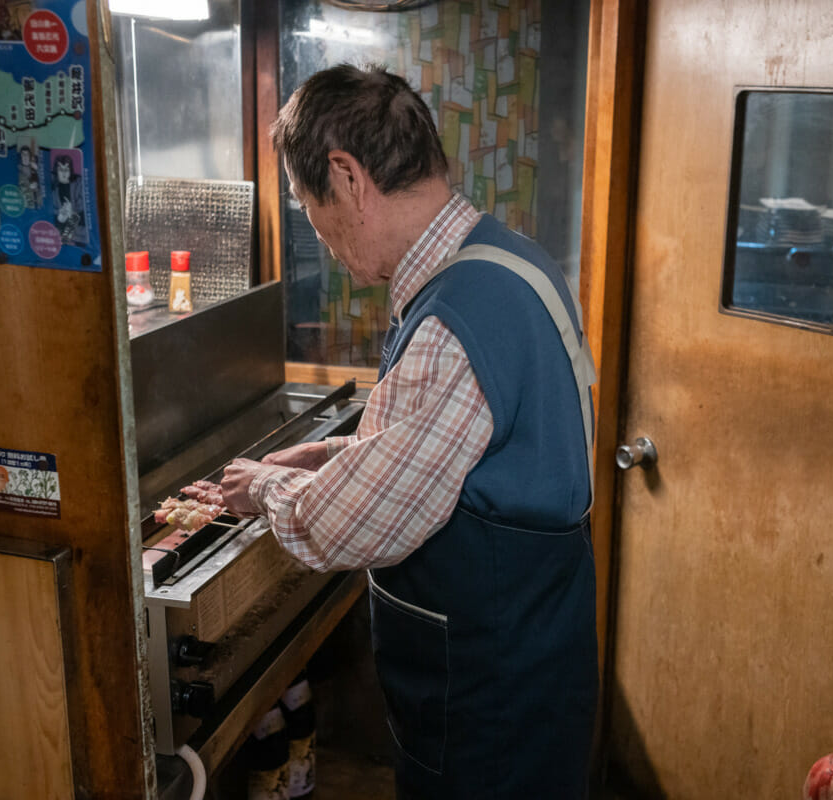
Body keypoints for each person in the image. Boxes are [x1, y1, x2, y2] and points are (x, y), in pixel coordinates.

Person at [222, 64, 598, 799]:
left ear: (347, 176)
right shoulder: (510, 261)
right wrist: (337, 450)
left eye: (307, 207)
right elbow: (469, 447)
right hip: (531, 660)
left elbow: (350, 526)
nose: (322, 237)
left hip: (487, 697)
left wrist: (265, 484)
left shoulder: (456, 320)